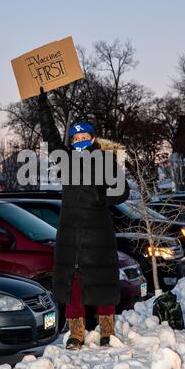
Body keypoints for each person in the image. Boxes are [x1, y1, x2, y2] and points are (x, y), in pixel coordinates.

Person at [38, 88, 130, 350]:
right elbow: (51, 137)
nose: (79, 139)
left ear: (92, 137)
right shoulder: (65, 160)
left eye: (83, 135)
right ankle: (76, 334)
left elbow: (122, 191)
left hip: (98, 233)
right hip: (71, 235)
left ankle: (107, 332)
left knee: (102, 281)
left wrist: (101, 197)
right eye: (75, 136)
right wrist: (43, 106)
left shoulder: (104, 159)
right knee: (73, 285)